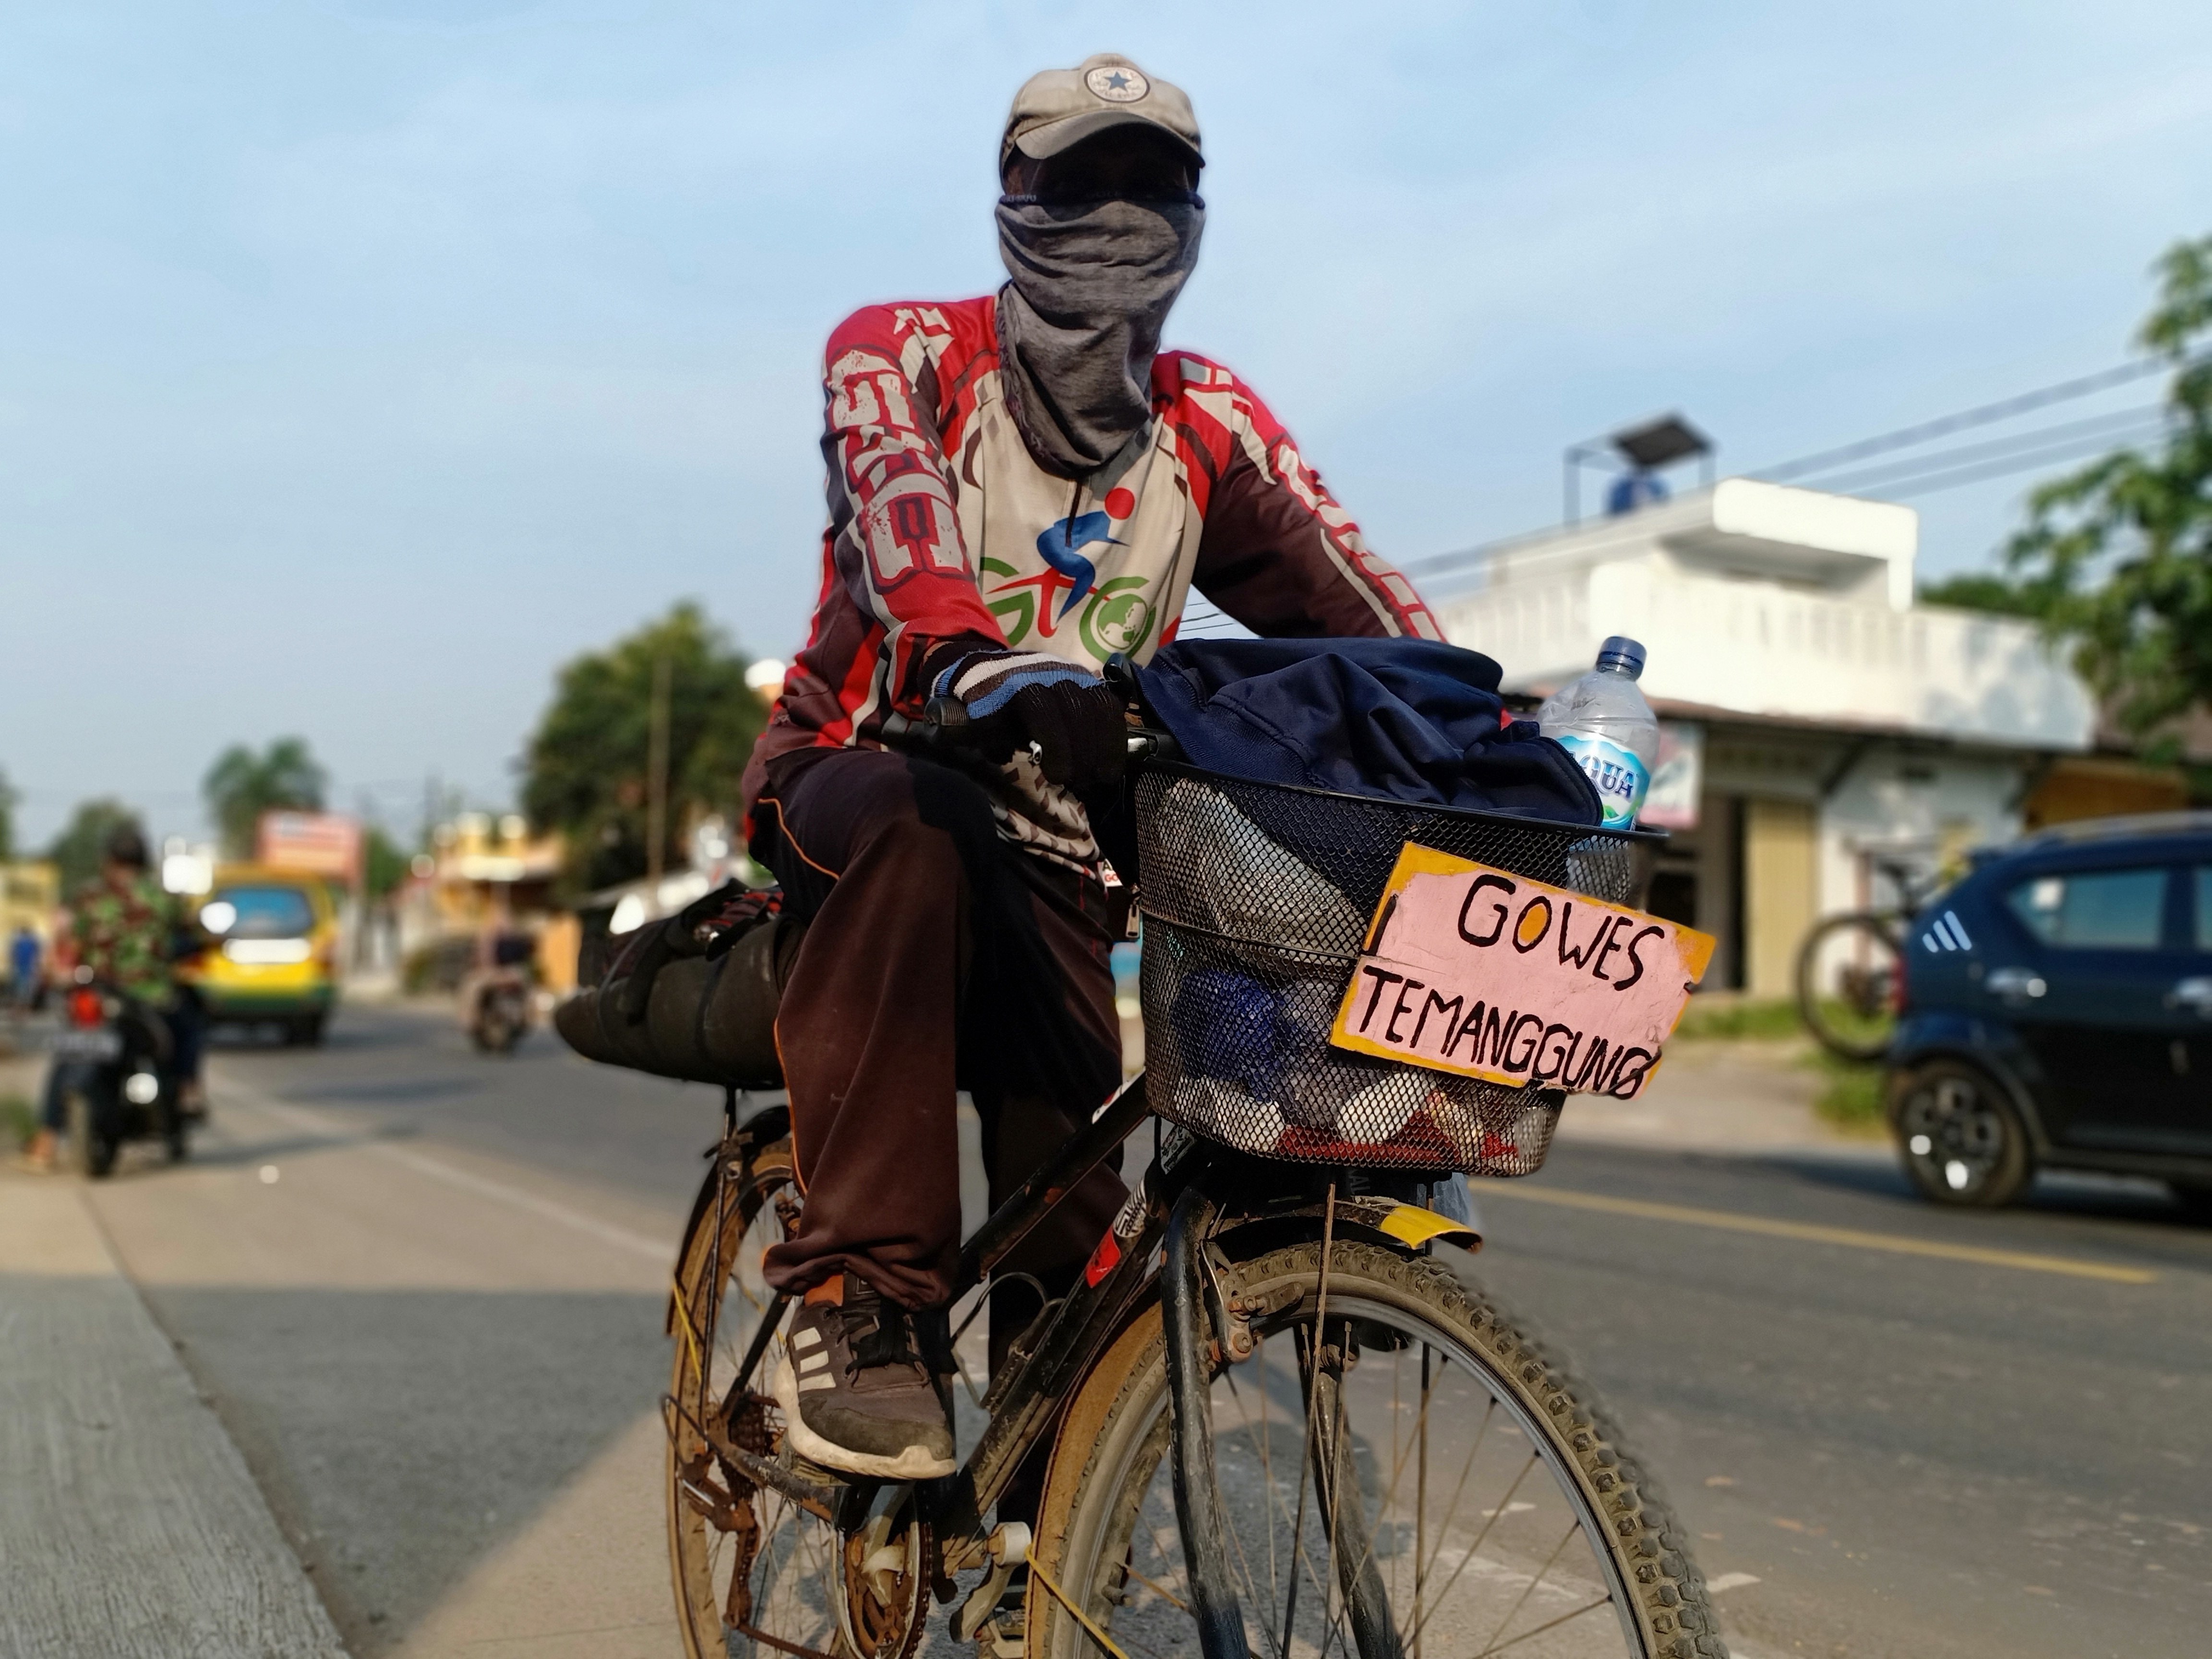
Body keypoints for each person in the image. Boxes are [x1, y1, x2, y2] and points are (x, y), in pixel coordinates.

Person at [741, 54, 1443, 1484]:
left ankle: (1044, 1520)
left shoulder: (1207, 421)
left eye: (1152, 186)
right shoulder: (905, 352)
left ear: (1195, 217)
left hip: (1065, 842)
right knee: (921, 818)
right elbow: (897, 524)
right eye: (1078, 185)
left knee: (1070, 1222)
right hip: (867, 776)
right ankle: (861, 1300)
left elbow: (1371, 620)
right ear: (1013, 203)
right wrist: (966, 651)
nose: (1117, 219)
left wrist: (1496, 732)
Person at [20, 825, 181, 1171]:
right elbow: (186, 935)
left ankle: (47, 1140)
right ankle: (183, 1096)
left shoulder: (89, 899)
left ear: (108, 862)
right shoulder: (163, 900)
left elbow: (69, 947)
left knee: (70, 1052)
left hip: (96, 992)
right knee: (179, 1036)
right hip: (147, 1001)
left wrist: (58, 976)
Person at [8, 923, 40, 1013]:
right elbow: (36, 955)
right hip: (27, 968)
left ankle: (19, 1009)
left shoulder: (19, 942)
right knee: (26, 990)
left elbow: (13, 955)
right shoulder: (31, 942)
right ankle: (24, 1009)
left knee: (20, 989)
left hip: (21, 968)